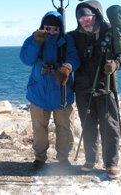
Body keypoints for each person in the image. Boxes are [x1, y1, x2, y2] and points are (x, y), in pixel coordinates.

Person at [69, 0, 121, 178]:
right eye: (81, 19)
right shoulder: (74, 36)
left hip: (106, 87)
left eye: (87, 17)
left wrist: (117, 64)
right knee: (88, 125)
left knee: (109, 126)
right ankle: (90, 159)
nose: (85, 21)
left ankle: (111, 163)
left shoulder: (111, 32)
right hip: (82, 89)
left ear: (96, 16)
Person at [20, 11, 80, 170]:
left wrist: (67, 66)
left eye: (55, 29)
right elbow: (26, 59)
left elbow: (75, 58)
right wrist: (35, 42)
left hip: (62, 94)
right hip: (39, 93)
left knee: (65, 128)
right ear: (42, 27)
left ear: (60, 29)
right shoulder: (34, 39)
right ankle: (40, 158)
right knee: (39, 129)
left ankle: (63, 158)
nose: (51, 31)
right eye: (48, 28)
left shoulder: (67, 41)